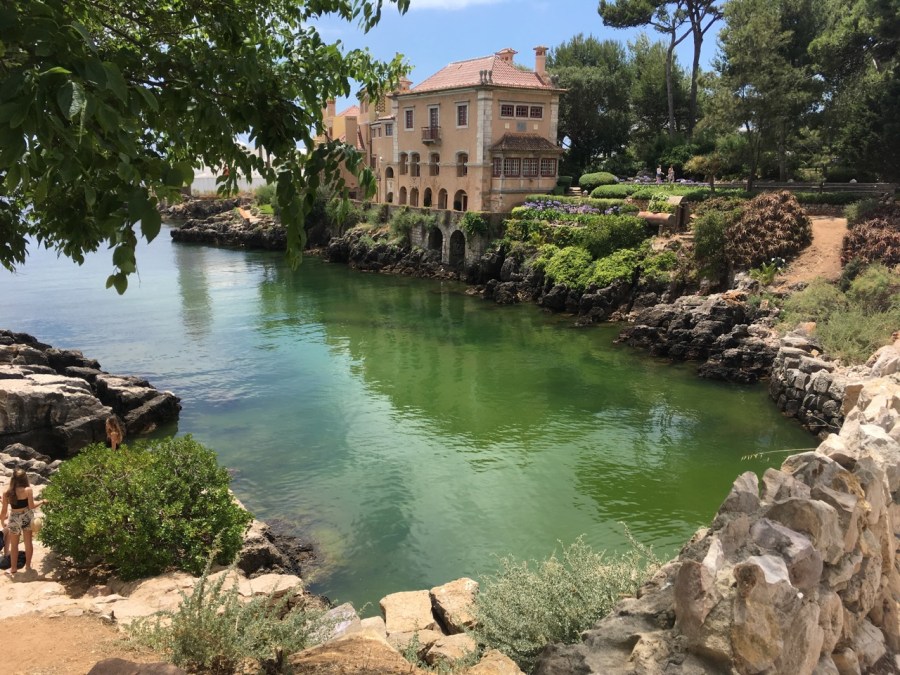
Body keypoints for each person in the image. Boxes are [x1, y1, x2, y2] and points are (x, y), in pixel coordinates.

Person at [0, 468, 45, 575]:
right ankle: (28, 566)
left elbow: (4, 510)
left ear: (13, 479)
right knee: (28, 542)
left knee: (14, 545)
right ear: (25, 478)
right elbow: (32, 506)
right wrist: (42, 501)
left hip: (14, 518)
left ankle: (13, 568)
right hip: (27, 516)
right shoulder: (28, 490)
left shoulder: (7, 492)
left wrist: (2, 521)